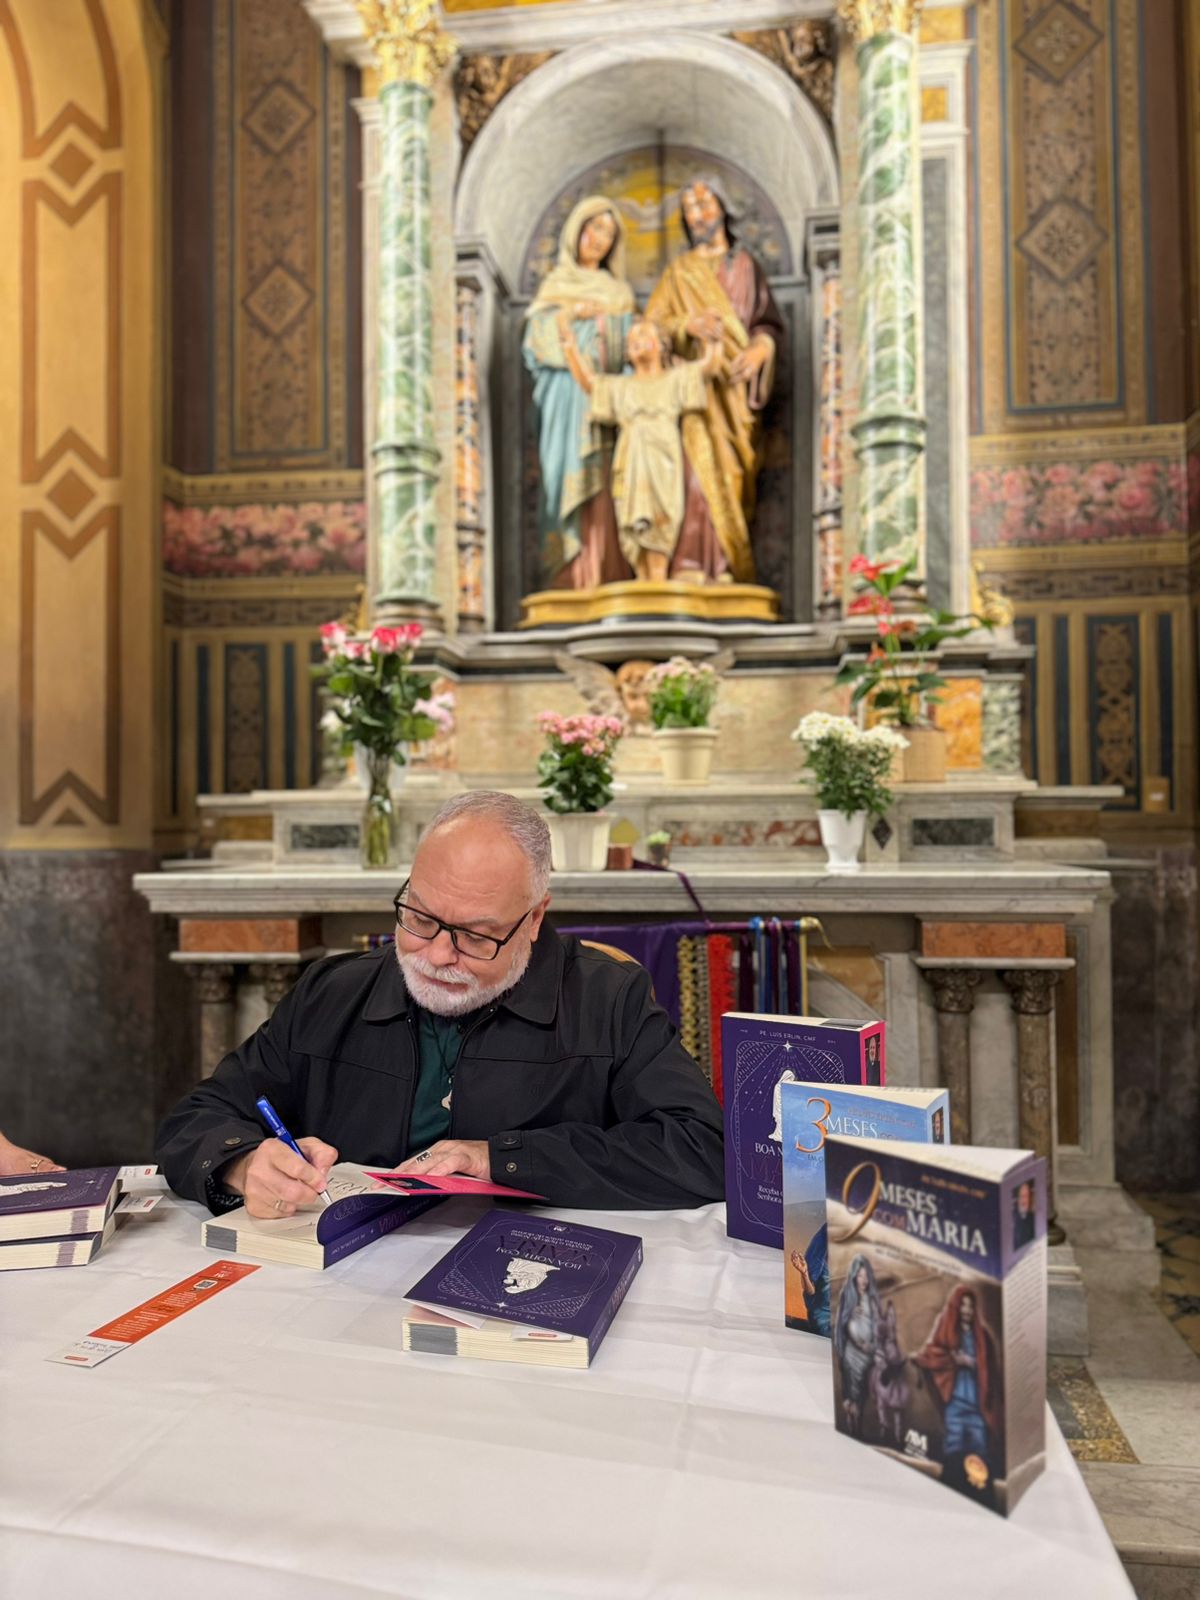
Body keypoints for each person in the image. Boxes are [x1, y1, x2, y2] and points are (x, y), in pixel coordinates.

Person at [155, 791, 725, 1218]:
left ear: (534, 919)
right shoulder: (333, 991)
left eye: (476, 936)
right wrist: (241, 1163)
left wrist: (499, 1159)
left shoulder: (607, 999)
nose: (438, 955)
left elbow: (704, 1150)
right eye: (421, 918)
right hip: (344, 1281)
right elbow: (197, 1117)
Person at [645, 177, 785, 584]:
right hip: (693, 392)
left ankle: (727, 565)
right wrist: (687, 325)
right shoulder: (679, 273)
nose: (698, 214)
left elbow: (766, 325)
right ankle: (690, 563)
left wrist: (760, 351)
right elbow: (651, 327)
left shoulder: (746, 267)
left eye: (705, 204)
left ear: (722, 208)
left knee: (733, 474)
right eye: (690, 208)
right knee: (691, 475)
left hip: (735, 393)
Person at [523, 196, 636, 590]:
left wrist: (608, 339)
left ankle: (607, 574)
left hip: (604, 400)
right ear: (577, 230)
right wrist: (569, 317)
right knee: (562, 480)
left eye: (609, 233)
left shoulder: (618, 292)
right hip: (563, 396)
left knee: (607, 484)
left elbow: (630, 348)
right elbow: (534, 344)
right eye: (594, 228)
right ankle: (568, 577)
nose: (600, 239)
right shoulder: (556, 285)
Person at [558, 313, 722, 582]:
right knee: (631, 524)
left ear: (661, 345)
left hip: (662, 459)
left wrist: (714, 339)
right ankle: (644, 580)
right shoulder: (621, 386)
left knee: (660, 521)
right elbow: (590, 382)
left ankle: (657, 581)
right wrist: (569, 346)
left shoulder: (674, 379)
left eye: (644, 335)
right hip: (630, 459)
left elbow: (709, 367)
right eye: (631, 339)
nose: (636, 342)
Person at [914, 1284, 1002, 1499]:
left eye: (970, 1306)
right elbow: (933, 1353)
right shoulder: (948, 1330)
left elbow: (990, 1369)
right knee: (954, 1448)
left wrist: (972, 1363)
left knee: (979, 1451)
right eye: (963, 1306)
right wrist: (953, 1359)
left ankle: (981, 1497)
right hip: (955, 1402)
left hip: (977, 1405)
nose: (966, 1311)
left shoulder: (982, 1337)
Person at [834, 1253, 882, 1437]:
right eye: (860, 1276)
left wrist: (872, 1345)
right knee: (851, 1392)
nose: (863, 1280)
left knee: (863, 1393)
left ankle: (858, 1425)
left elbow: (877, 1323)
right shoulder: (847, 1295)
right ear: (854, 1276)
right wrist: (859, 1342)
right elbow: (844, 1322)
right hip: (852, 1353)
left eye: (866, 1276)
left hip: (868, 1354)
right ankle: (850, 1422)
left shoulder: (872, 1298)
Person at [1012, 1178, 1036, 1248]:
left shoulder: (1034, 1219)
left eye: (1026, 1196)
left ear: (1029, 1199)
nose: (1024, 1200)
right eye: (1021, 1196)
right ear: (1017, 1199)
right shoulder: (1010, 1218)